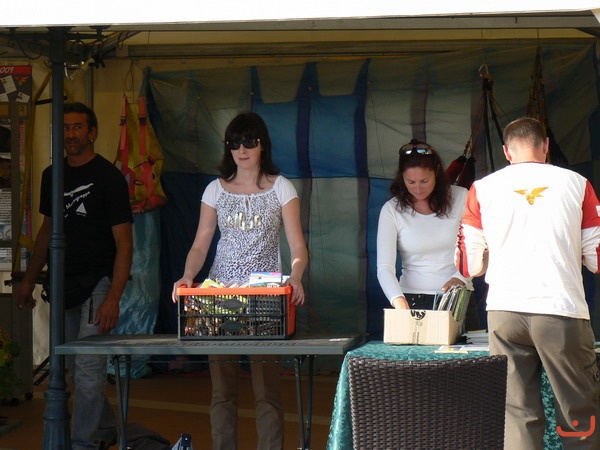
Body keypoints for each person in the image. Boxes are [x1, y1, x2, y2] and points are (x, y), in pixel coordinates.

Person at [455, 117, 600, 450]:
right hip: (560, 309)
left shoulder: (482, 188)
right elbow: (596, 259)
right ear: (545, 146)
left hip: (504, 312)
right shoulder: (578, 183)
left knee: (517, 412)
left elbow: (469, 265)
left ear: (507, 152)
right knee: (577, 409)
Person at [171, 112, 308, 450]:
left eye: (249, 141)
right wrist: (188, 276)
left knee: (267, 391)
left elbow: (298, 245)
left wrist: (296, 276)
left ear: (263, 145)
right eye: (234, 143)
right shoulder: (214, 190)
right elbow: (201, 243)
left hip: (265, 299)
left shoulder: (282, 187)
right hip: (218, 298)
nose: (242, 149)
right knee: (222, 392)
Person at [16, 102, 133, 450]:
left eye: (78, 127)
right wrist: (29, 279)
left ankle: (82, 444)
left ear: (92, 132)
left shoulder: (110, 178)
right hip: (62, 282)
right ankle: (104, 426)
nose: (71, 134)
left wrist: (113, 297)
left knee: (88, 370)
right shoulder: (52, 175)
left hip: (98, 283)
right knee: (71, 368)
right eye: (65, 128)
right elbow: (46, 230)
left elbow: (125, 243)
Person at [377, 139, 471, 310]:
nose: (418, 188)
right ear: (401, 178)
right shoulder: (391, 209)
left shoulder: (462, 197)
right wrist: (398, 300)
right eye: (411, 182)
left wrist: (460, 278)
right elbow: (384, 267)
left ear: (437, 172)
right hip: (409, 298)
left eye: (424, 181)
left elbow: (478, 247)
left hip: (457, 295)